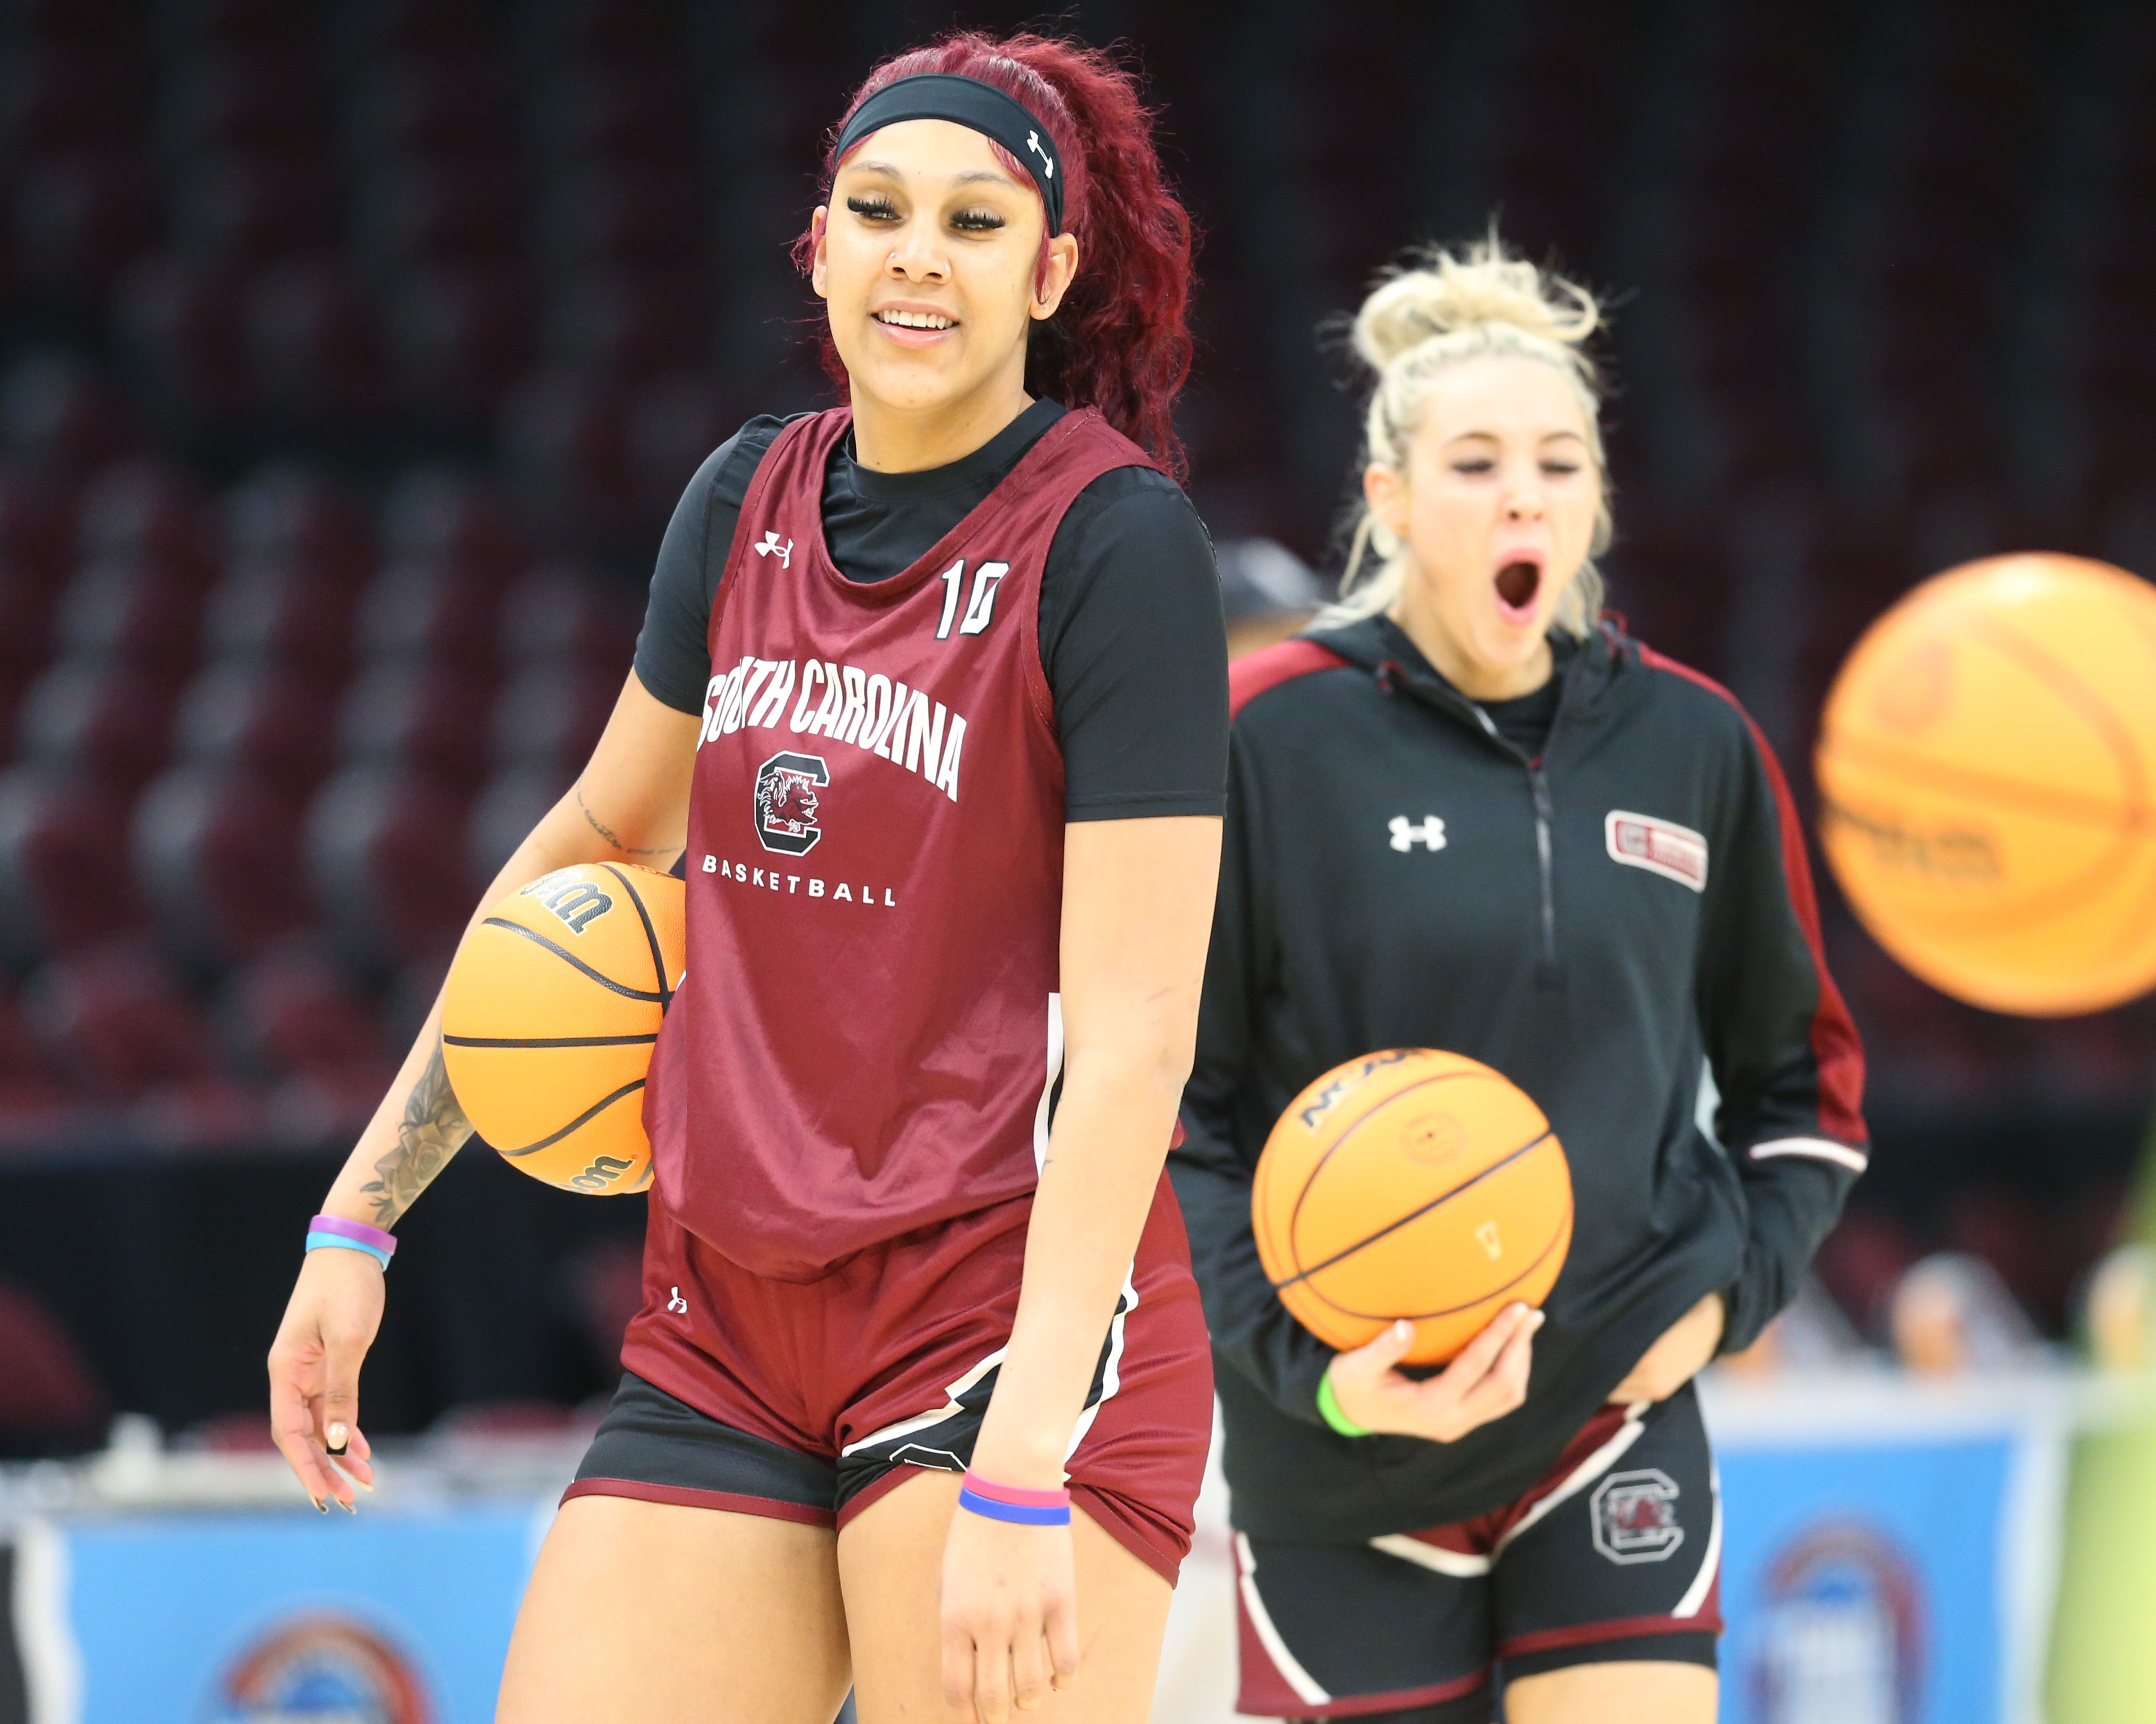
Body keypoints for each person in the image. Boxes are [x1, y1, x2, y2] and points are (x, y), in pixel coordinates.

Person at [267, 33, 1229, 1724]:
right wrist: (362, 1213)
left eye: (975, 221)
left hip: (1003, 1316)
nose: (917, 253)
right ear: (821, 244)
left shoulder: (1113, 543)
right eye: (877, 209)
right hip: (726, 1310)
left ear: (1051, 271)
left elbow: (1141, 1034)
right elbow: (583, 845)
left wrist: (1021, 1466)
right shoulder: (743, 498)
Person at [1169, 239, 1868, 1724]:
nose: (1520, 497)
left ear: (1594, 501)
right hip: (1343, 1436)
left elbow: (1801, 1083)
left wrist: (1728, 1297)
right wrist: (1321, 1375)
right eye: (1475, 463)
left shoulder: (1695, 743)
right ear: (1389, 499)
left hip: (1611, 1413)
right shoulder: (1260, 739)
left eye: (1557, 464)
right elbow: (1174, 1112)